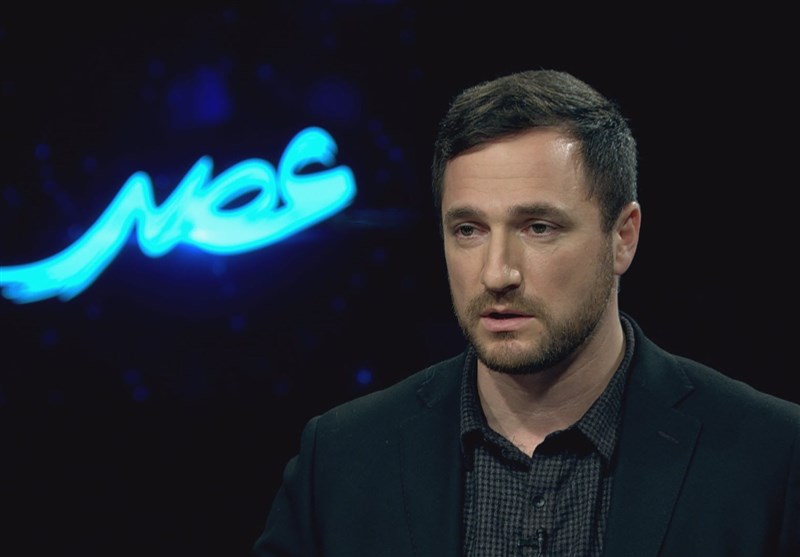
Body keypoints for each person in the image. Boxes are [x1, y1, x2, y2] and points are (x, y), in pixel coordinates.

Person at [251, 69, 800, 556]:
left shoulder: (771, 459)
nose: (497, 273)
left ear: (623, 237)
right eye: (469, 230)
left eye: (538, 227)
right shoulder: (341, 460)